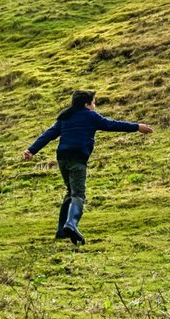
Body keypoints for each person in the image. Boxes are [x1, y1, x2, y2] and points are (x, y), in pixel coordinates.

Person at [22, 90, 152, 245]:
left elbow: (49, 134)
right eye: (94, 102)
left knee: (70, 192)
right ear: (87, 104)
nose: (94, 105)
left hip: (62, 158)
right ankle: (71, 224)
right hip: (78, 158)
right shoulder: (90, 116)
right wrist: (137, 126)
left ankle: (61, 231)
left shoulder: (65, 117)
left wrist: (31, 150)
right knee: (78, 195)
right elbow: (111, 125)